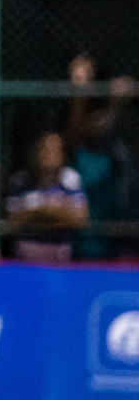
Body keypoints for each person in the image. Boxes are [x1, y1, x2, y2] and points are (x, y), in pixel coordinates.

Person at [66, 53, 136, 261]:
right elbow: (82, 132)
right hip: (89, 229)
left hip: (119, 217)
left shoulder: (120, 136)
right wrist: (80, 91)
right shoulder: (77, 130)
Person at [5, 130, 88, 263]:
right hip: (26, 258)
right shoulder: (19, 181)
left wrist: (36, 213)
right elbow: (14, 220)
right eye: (45, 149)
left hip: (60, 258)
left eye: (55, 150)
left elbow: (80, 218)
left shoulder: (71, 179)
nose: (49, 154)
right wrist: (54, 211)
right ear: (36, 152)